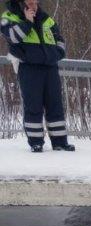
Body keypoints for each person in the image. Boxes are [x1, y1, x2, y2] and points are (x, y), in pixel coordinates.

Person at [1, 0, 74, 151]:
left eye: (35, 2)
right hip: (29, 67)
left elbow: (59, 39)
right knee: (33, 106)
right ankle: (36, 142)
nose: (33, 5)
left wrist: (57, 54)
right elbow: (13, 38)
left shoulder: (46, 18)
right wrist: (28, 22)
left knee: (55, 105)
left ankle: (60, 142)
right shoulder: (9, 17)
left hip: (50, 66)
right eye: (30, 2)